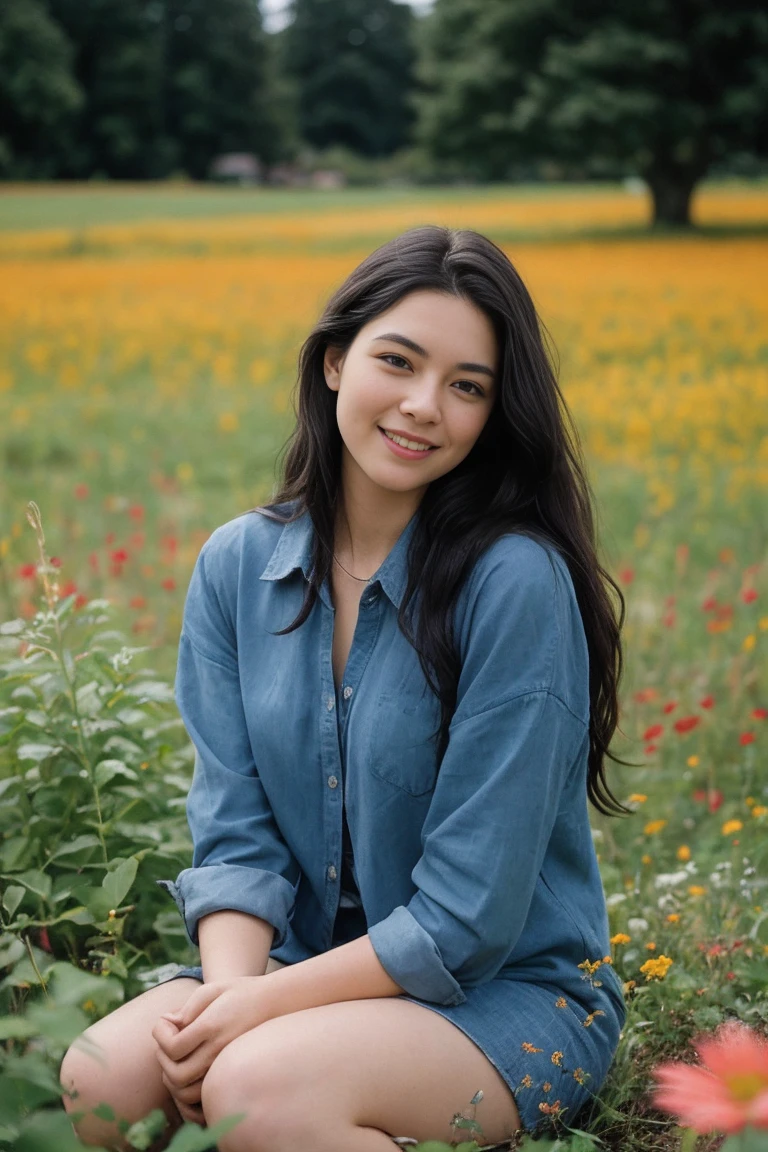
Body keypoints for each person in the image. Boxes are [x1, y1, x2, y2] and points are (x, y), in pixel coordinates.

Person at [60, 225, 629, 1152]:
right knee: (100, 1080)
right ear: (334, 362)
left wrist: (252, 1017)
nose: (422, 407)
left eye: (467, 387)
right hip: (302, 965)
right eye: (396, 362)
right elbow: (237, 837)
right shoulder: (237, 566)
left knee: (257, 1089)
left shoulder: (514, 583)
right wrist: (232, 996)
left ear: (493, 413)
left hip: (509, 992)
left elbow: (467, 920)